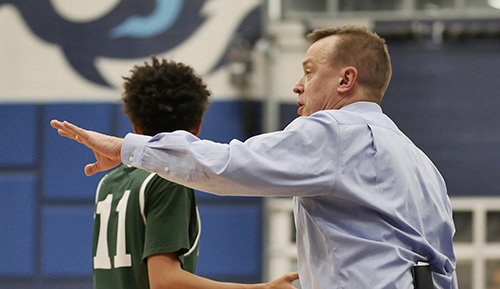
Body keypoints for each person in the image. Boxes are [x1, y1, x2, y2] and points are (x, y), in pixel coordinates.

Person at [51, 25, 458, 289]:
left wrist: (126, 148)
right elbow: (442, 266)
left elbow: (225, 166)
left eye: (309, 71)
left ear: (346, 80)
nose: (298, 86)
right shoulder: (423, 163)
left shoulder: (334, 132)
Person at [75, 56, 298, 289]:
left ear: (135, 127)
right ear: (198, 126)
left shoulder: (109, 183)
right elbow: (164, 281)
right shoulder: (169, 178)